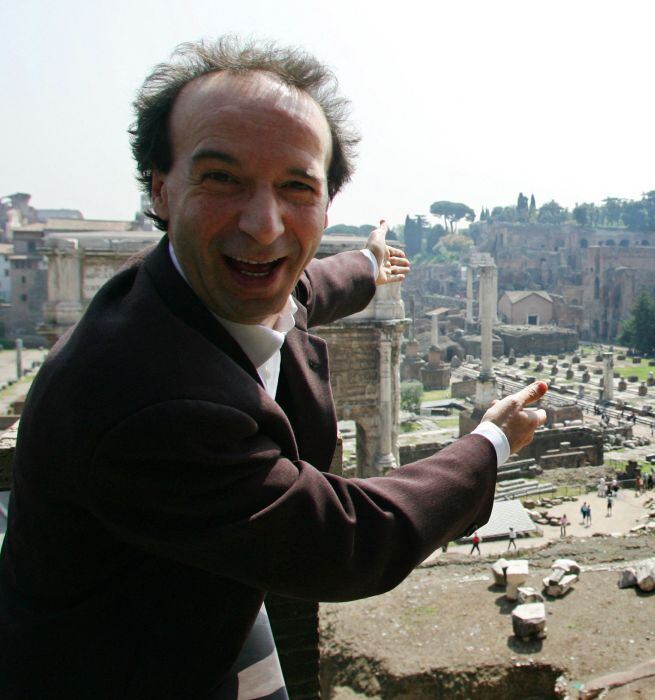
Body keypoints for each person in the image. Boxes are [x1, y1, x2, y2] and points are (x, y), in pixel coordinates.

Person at [0, 37, 549, 698]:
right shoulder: (148, 399)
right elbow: (346, 542)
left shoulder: (188, 289)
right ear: (162, 190)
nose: (264, 225)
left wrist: (371, 266)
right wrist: (490, 444)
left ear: (325, 206)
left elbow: (308, 289)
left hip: (190, 600)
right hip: (120, 668)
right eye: (222, 179)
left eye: (296, 187)